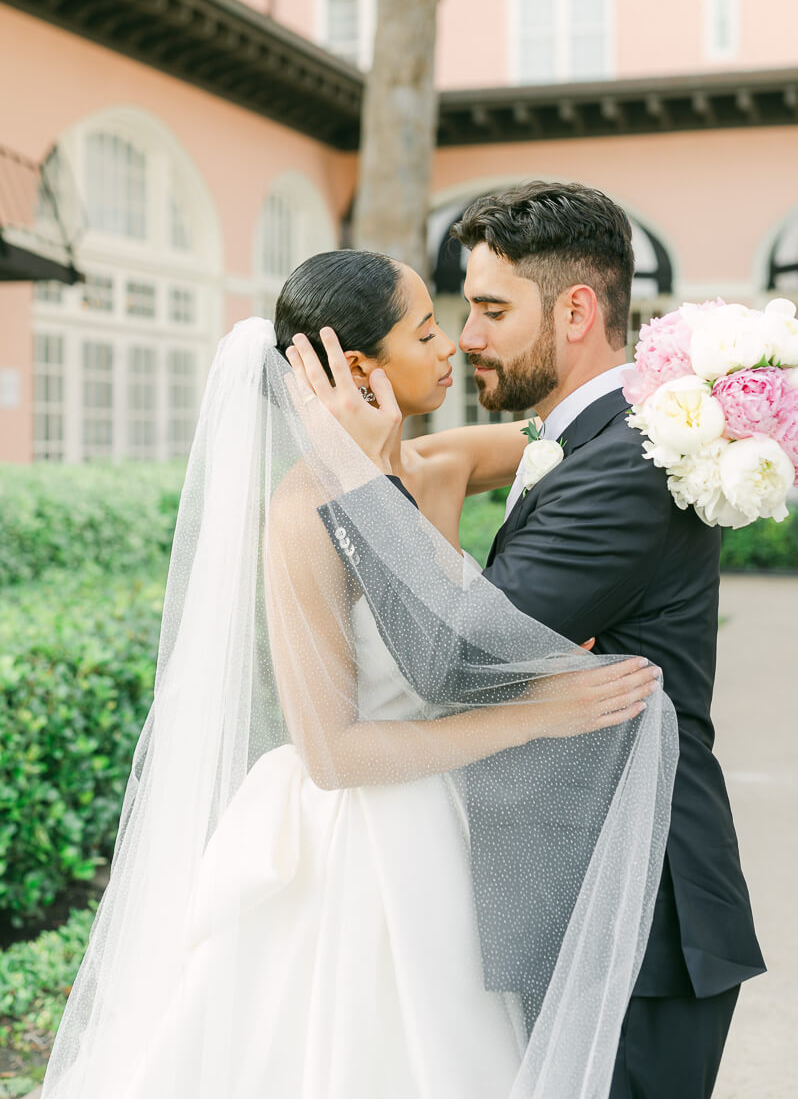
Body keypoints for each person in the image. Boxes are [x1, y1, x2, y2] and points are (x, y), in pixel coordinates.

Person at [40, 249, 672, 1099]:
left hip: (454, 824)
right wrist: (538, 713)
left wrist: (712, 390)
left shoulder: (440, 466)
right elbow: (333, 755)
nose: (452, 345)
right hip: (364, 849)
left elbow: (578, 431)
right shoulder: (302, 517)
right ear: (357, 367)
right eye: (425, 331)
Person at [289, 182, 766, 1099]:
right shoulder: (581, 437)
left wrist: (361, 485)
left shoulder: (624, 467)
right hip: (576, 900)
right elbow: (472, 470)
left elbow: (457, 662)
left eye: (493, 310)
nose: (467, 337)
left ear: (577, 310)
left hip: (639, 916)